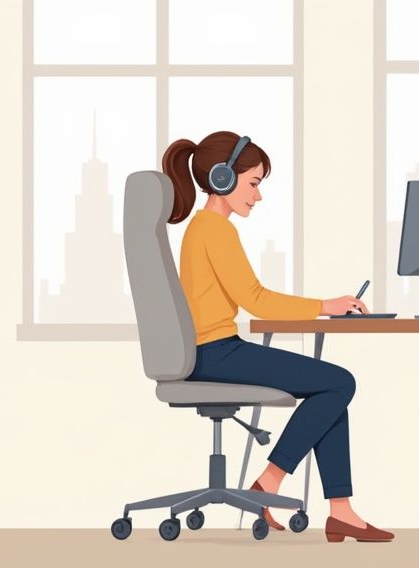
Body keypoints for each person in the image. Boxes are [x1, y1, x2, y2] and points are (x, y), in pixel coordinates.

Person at [163, 131, 394, 543]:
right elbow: (256, 300)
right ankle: (269, 482)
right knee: (339, 383)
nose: (258, 196)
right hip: (215, 353)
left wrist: (324, 306)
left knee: (331, 390)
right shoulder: (214, 230)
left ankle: (341, 512)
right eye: (253, 183)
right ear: (222, 178)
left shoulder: (202, 228)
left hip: (210, 350)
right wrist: (327, 305)